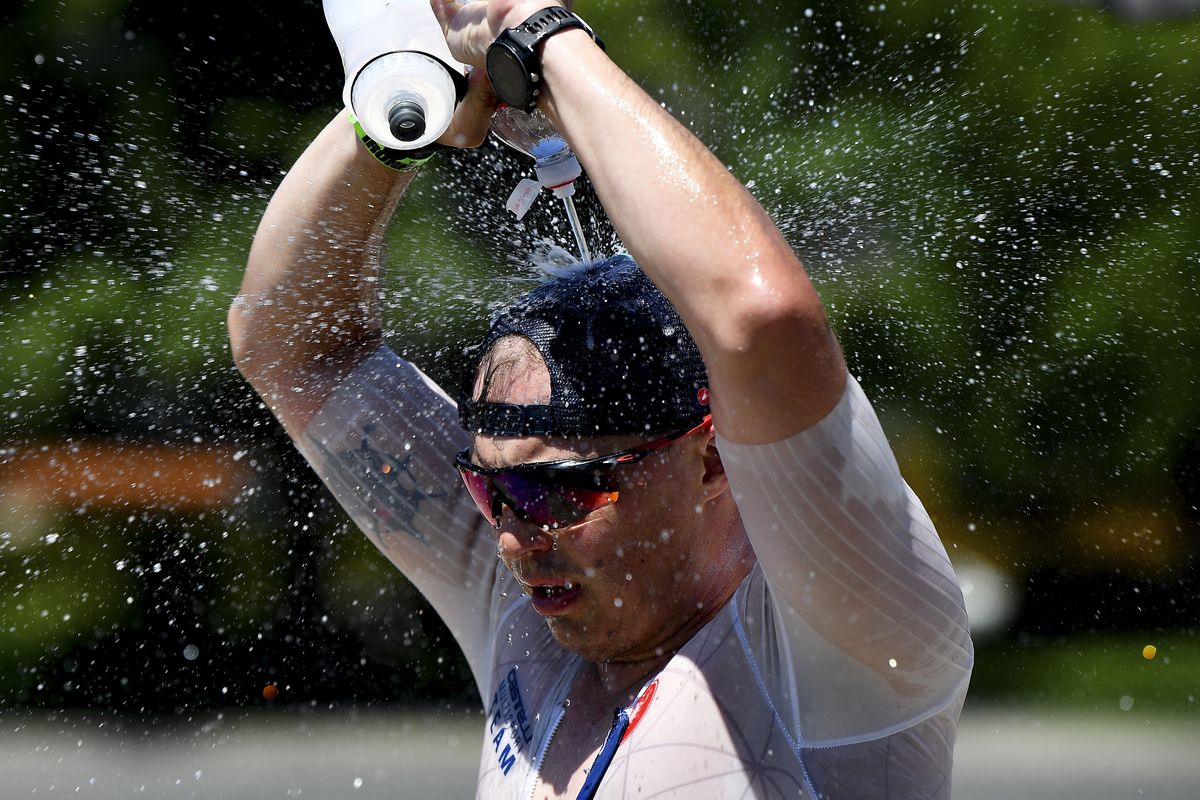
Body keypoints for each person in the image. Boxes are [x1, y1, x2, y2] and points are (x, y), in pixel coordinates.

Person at [228, 1, 974, 797]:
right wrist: (403, 107)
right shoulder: (533, 604)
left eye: (562, 490)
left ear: (711, 456)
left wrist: (536, 37)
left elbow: (761, 319)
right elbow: (293, 348)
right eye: (491, 488)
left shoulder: (837, 631)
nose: (514, 540)